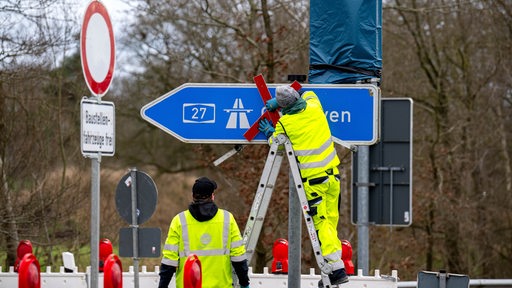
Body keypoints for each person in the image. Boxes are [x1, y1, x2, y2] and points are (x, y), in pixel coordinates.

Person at [258, 85, 348, 287]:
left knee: (322, 223)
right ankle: (334, 265)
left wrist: (268, 131)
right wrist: (284, 99)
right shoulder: (314, 105)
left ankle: (336, 268)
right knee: (331, 221)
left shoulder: (286, 123)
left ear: (283, 107)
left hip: (314, 182)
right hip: (333, 176)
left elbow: (275, 142)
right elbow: (306, 90)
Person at [158, 177, 250, 288]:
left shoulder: (179, 221)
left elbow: (169, 262)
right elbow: (238, 257)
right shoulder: (227, 219)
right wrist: (244, 284)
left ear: (193, 196)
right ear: (212, 196)